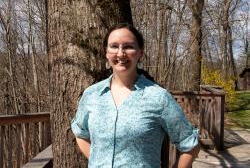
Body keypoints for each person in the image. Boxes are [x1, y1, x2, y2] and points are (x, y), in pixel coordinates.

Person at [71, 23, 200, 168]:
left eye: (128, 46)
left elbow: (190, 145)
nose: (120, 53)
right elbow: (80, 132)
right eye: (114, 46)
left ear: (140, 53)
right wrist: (98, 160)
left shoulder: (158, 97)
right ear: (106, 52)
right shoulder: (92, 95)